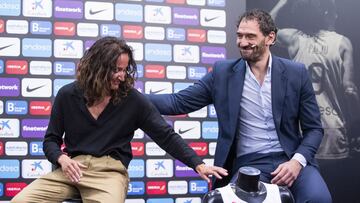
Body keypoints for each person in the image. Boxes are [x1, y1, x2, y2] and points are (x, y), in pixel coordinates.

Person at [11, 37, 228, 203]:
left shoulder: (132, 100)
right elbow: (50, 140)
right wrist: (62, 159)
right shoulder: (67, 95)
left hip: (109, 172)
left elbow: (166, 135)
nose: (122, 76)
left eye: (124, 70)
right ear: (97, 67)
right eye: (116, 70)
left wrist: (197, 164)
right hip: (71, 170)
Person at [148, 9, 331, 202]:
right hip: (250, 165)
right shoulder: (223, 73)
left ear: (270, 38)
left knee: (319, 199)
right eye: (240, 36)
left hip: (292, 160)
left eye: (250, 36)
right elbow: (177, 103)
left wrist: (296, 162)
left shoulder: (296, 72)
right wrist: (127, 95)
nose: (243, 42)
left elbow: (314, 129)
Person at [270, 0, 360, 160]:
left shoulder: (296, 38)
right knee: (334, 184)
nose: (337, 15)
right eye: (335, 11)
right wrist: (355, 123)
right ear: (328, 14)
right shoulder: (343, 43)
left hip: (300, 131)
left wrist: (283, 2)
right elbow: (350, 90)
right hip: (333, 132)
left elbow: (265, 30)